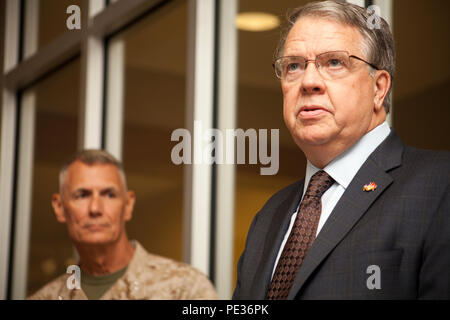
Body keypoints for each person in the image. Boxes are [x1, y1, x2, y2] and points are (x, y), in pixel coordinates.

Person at [233, 0, 449, 300]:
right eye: (294, 66)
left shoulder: (440, 185)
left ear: (379, 88)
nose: (309, 81)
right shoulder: (269, 216)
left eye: (334, 62)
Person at [28, 150, 218, 300]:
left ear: (128, 204)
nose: (95, 208)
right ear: (60, 207)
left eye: (109, 194)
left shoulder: (185, 289)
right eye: (82, 195)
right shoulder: (47, 297)